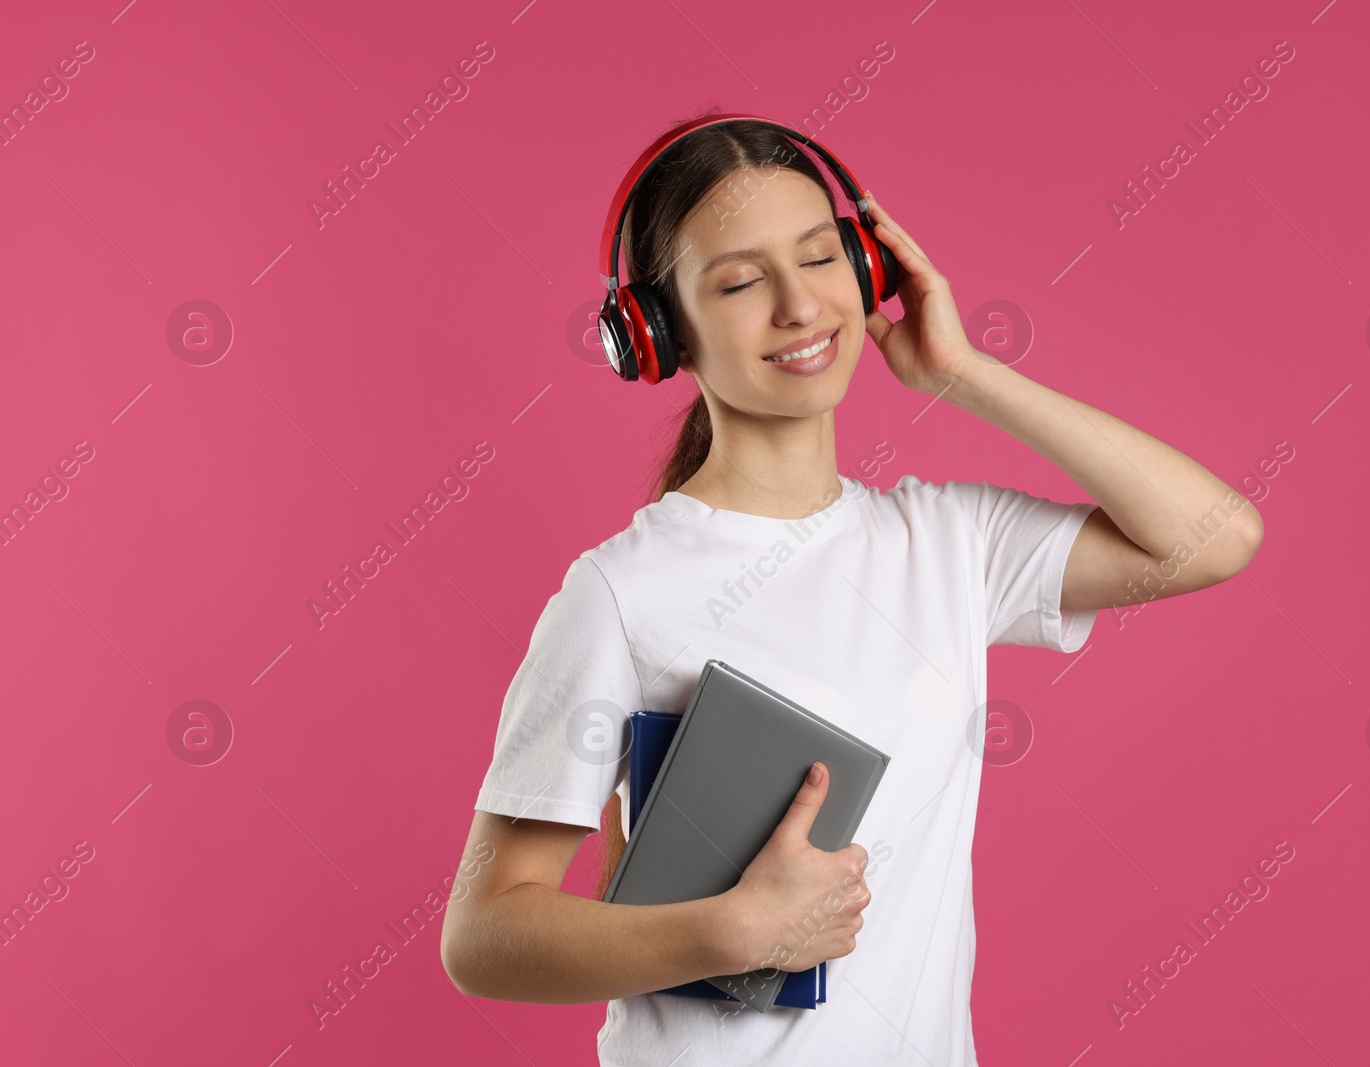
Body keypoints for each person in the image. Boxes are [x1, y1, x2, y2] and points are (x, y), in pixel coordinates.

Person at [440, 111, 1264, 1065]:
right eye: (742, 281)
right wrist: (730, 931)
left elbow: (1217, 536)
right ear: (661, 335)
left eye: (823, 257)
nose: (799, 306)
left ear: (871, 270)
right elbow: (484, 934)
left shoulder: (951, 542)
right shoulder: (620, 593)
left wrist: (963, 373)